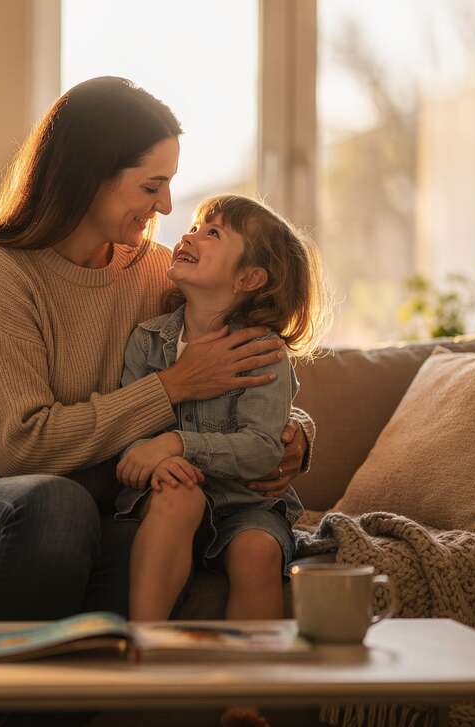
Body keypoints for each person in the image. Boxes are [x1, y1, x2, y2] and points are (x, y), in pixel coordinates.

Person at [0, 77, 314, 625]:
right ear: (89, 179)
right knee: (58, 507)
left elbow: (225, 353)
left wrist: (291, 435)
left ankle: (109, 696)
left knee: (160, 538)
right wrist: (170, 388)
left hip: (79, 510)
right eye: (152, 186)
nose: (167, 205)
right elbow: (22, 449)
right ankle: (4, 711)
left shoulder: (154, 271)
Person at [114, 195, 326, 727]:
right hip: (172, 491)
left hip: (245, 503)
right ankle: (147, 654)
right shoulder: (148, 340)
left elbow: (262, 449)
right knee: (176, 498)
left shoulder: (264, 353)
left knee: (256, 549)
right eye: (193, 226)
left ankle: (245, 701)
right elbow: (130, 428)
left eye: (212, 233)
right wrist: (155, 459)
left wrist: (181, 444)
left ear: (250, 279)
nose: (188, 236)